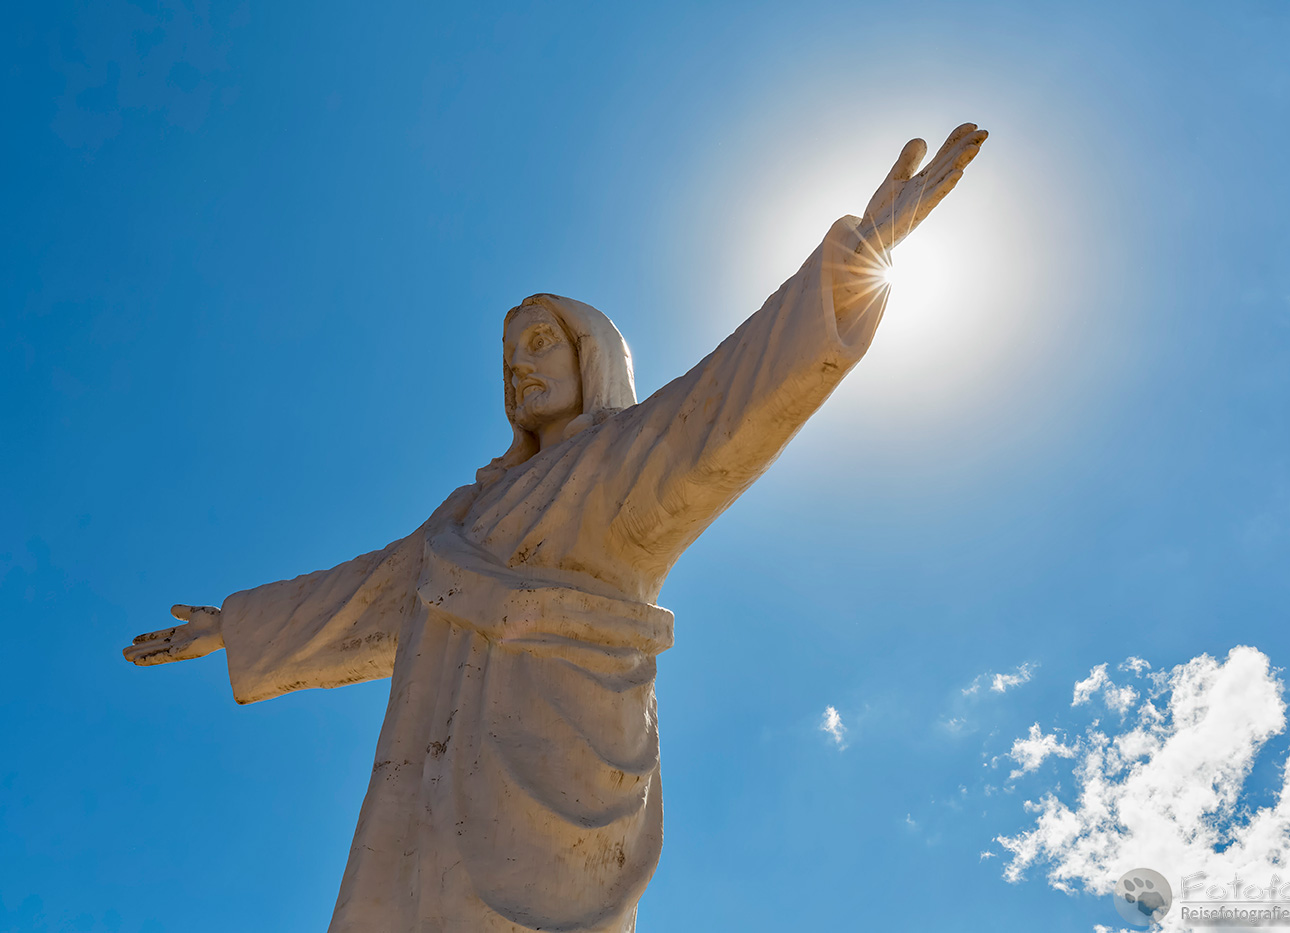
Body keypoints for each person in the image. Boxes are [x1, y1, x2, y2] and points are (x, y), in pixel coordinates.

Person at [123, 125, 988, 932]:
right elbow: (367, 593)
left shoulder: (622, 461)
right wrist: (236, 624)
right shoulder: (466, 514)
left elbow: (730, 399)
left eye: (539, 344)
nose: (519, 367)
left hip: (555, 782)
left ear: (590, 355)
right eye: (509, 358)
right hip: (432, 779)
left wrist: (847, 268)